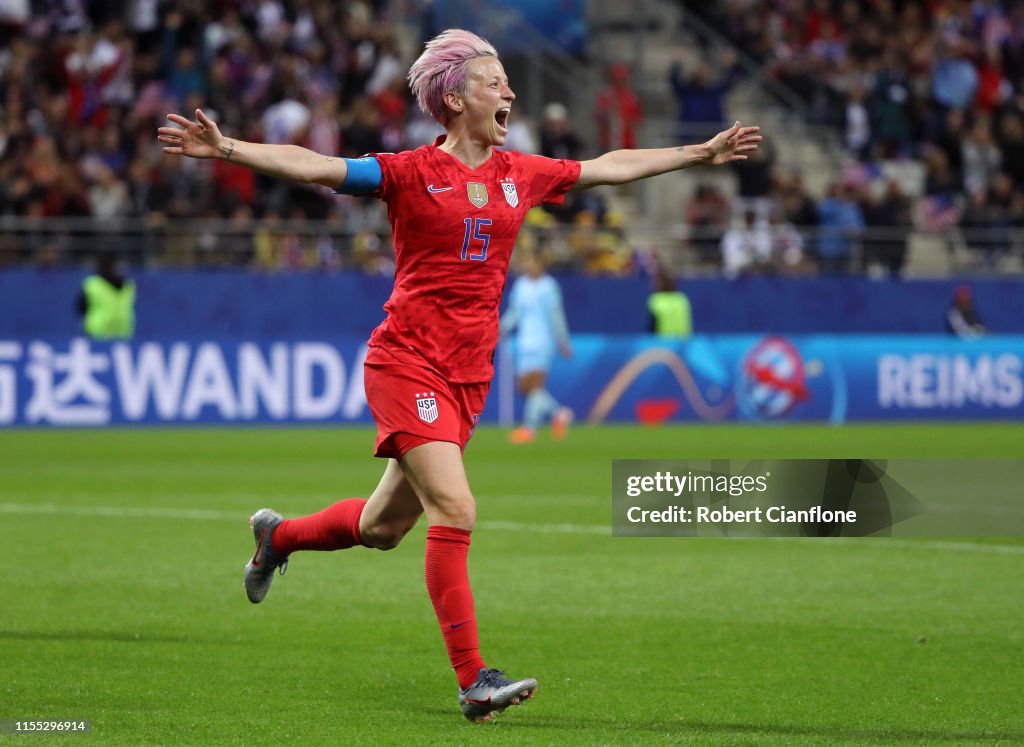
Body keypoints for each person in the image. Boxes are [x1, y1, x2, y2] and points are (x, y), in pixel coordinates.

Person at [157, 28, 761, 723]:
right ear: (454, 97)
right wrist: (228, 148)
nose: (508, 91)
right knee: (458, 508)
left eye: (506, 80)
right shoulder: (409, 172)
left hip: (468, 377)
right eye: (493, 80)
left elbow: (608, 165)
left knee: (383, 529)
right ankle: (475, 680)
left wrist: (698, 153)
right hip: (406, 359)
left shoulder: (519, 173)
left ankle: (279, 536)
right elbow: (318, 167)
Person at [500, 252, 573, 444]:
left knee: (535, 385)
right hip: (524, 342)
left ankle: (529, 429)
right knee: (524, 387)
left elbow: (556, 315)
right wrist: (503, 327)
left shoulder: (549, 287)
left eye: (533, 263)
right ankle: (559, 413)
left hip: (543, 341)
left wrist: (562, 341)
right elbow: (515, 311)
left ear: (541, 265)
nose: (530, 267)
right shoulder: (521, 285)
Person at [76, 252, 136, 339]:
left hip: (98, 331)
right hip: (123, 330)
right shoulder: (128, 284)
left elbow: (80, 307)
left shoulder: (92, 284)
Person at [647, 269, 692, 337]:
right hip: (683, 342)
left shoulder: (656, 300)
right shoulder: (682, 299)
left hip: (664, 342)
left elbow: (652, 325)